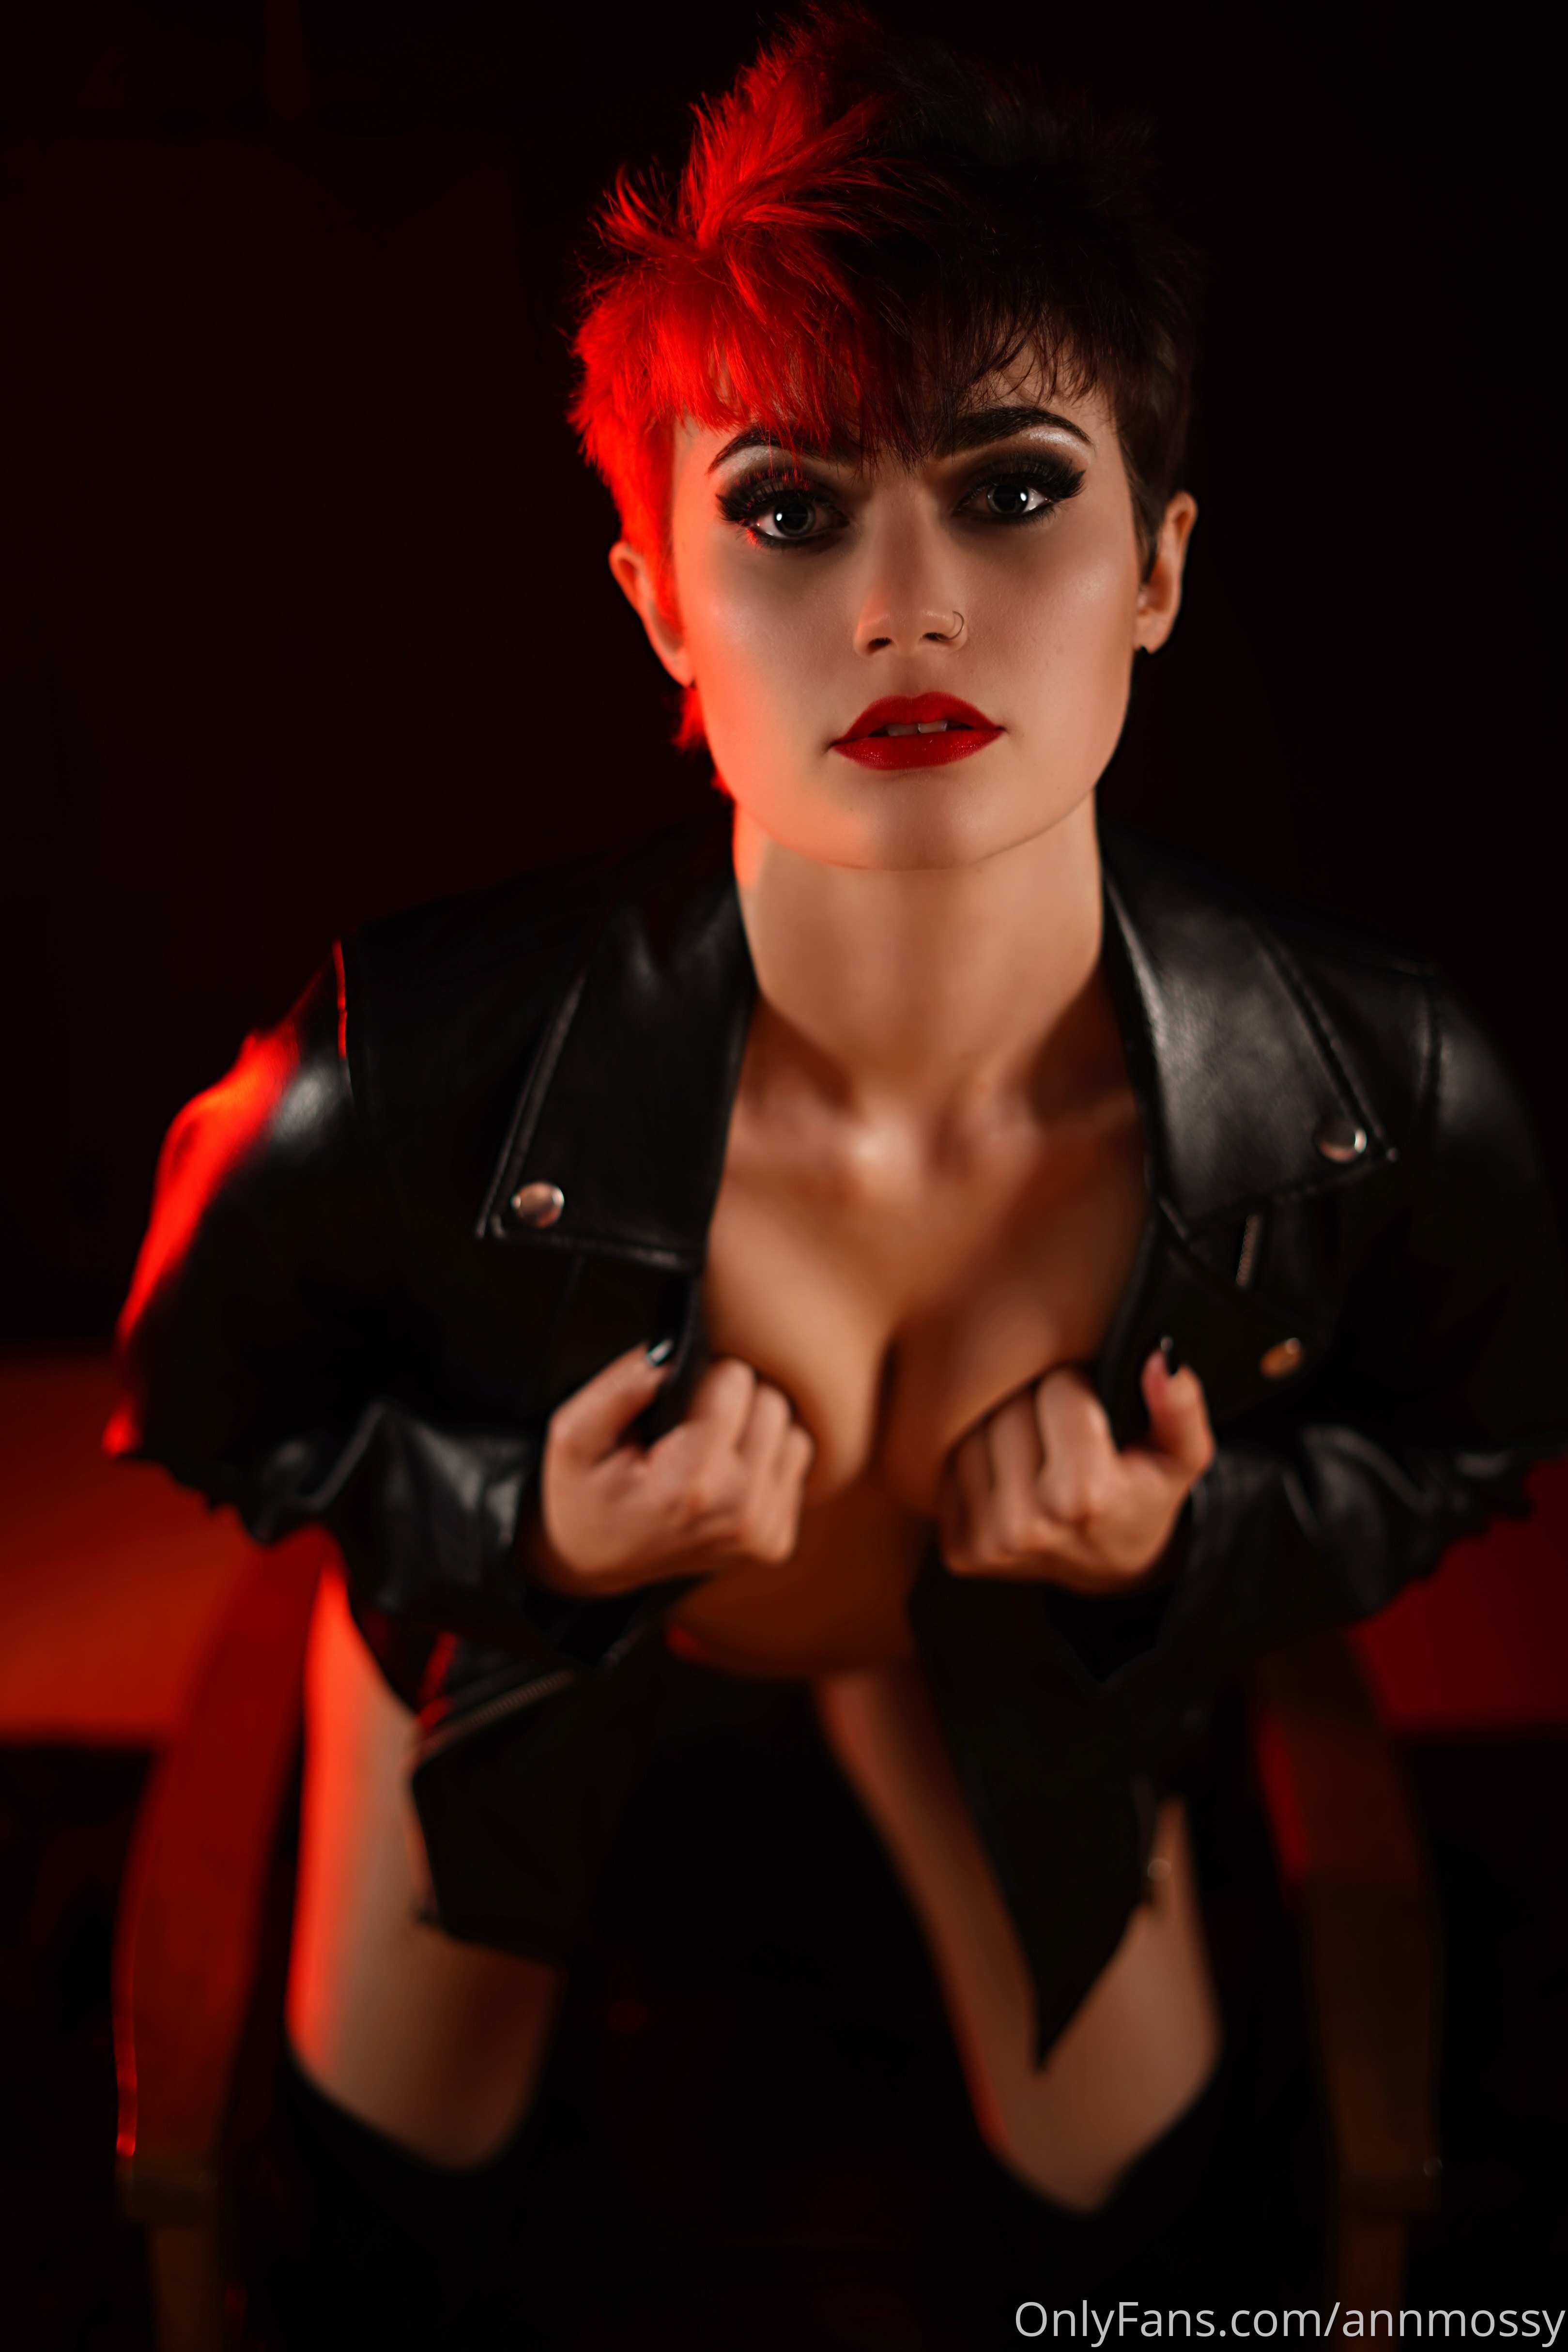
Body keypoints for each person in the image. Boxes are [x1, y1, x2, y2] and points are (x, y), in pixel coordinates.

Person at [109, 3, 1567, 2322]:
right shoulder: (403, 1059)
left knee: (1147, 2208)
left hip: (989, 1664)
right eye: (793, 509)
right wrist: (524, 1530)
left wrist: (1178, 1546)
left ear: (1161, 564)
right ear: (659, 602)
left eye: (1012, 490)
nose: (909, 604)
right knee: (397, 2210)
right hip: (526, 1666)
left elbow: (1474, 1438)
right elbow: (201, 1394)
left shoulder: (1363, 1078)